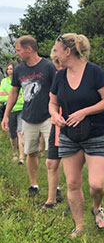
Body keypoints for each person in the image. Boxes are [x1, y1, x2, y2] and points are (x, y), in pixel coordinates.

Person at [49, 33, 104, 237]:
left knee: (96, 184)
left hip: (97, 133)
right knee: (73, 183)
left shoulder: (95, 72)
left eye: (57, 50)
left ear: (68, 51)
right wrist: (54, 116)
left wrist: (85, 111)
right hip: (70, 134)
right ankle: (79, 226)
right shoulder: (59, 75)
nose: (56, 54)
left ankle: (97, 206)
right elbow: (52, 103)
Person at [1, 35, 56, 196]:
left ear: (29, 49)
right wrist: (6, 115)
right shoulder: (19, 69)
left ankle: (56, 188)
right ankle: (34, 186)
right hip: (28, 117)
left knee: (52, 154)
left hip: (48, 116)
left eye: (18, 50)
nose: (16, 54)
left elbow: (57, 90)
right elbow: (13, 92)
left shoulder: (48, 66)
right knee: (30, 152)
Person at [37, 46, 66, 210]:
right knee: (50, 162)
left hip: (71, 124)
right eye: (55, 62)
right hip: (56, 123)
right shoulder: (56, 77)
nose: (58, 65)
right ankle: (51, 200)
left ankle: (73, 202)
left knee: (71, 165)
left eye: (59, 61)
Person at [0, 61, 25, 165]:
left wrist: (9, 96)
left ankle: (21, 157)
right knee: (12, 133)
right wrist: (13, 97)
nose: (9, 71)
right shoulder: (4, 81)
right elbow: (1, 97)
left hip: (21, 109)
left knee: (20, 132)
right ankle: (14, 153)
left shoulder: (21, 81)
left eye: (11, 69)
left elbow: (23, 98)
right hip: (9, 110)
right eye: (8, 69)